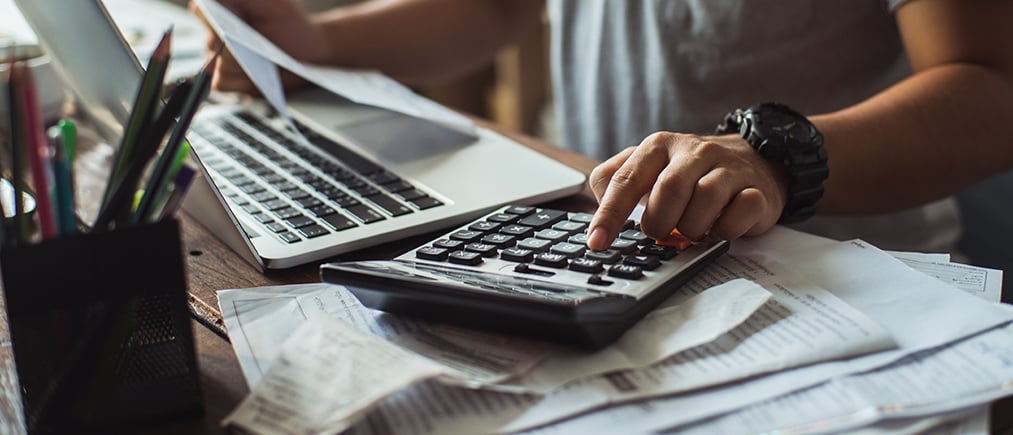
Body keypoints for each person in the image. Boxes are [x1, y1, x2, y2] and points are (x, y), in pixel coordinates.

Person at [194, 0, 1013, 255]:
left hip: (836, 287)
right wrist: (318, 47)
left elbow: (991, 87)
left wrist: (773, 157)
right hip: (611, 253)